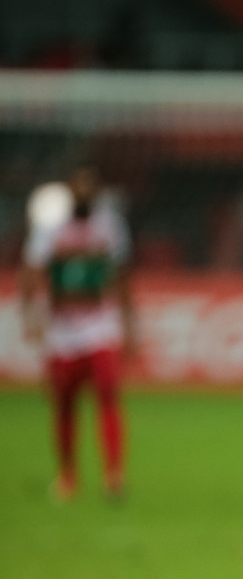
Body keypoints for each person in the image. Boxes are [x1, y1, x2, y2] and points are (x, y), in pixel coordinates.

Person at [19, 165, 136, 501]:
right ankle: (68, 475)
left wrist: (128, 325)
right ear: (69, 193)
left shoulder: (110, 224)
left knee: (109, 397)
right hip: (63, 332)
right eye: (79, 188)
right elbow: (31, 274)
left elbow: (121, 274)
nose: (85, 195)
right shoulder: (50, 227)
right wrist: (33, 319)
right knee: (64, 405)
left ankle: (114, 476)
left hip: (101, 327)